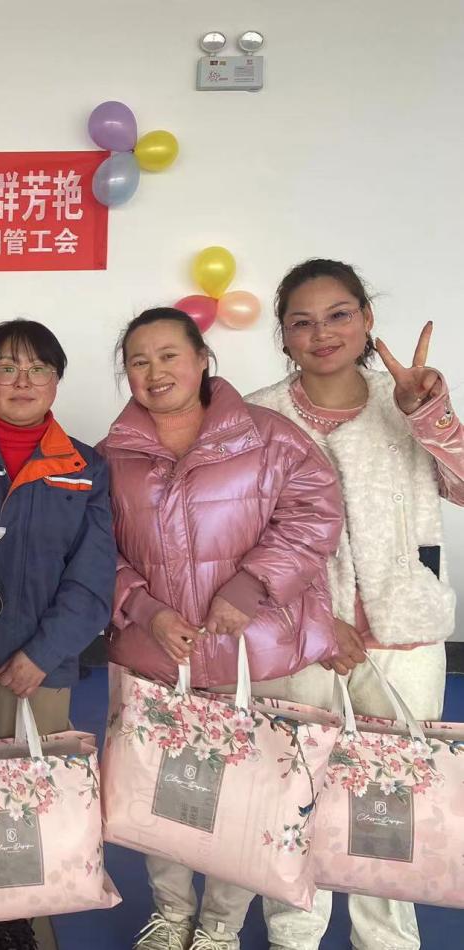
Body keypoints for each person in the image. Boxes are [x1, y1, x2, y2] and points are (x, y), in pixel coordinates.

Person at [99, 308, 343, 950]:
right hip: (156, 655)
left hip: (254, 653)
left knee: (247, 797)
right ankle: (172, 915)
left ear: (202, 358)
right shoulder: (111, 456)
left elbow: (314, 514)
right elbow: (95, 550)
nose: (155, 371)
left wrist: (250, 586)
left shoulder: (270, 437)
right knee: (161, 791)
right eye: (138, 361)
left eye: (169, 355)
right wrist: (144, 609)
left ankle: (219, 928)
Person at [245, 259, 463, 950]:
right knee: (294, 791)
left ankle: (387, 938)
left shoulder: (407, 401)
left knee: (390, 800)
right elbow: (245, 536)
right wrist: (315, 619)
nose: (322, 333)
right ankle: (294, 933)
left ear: (367, 319)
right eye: (302, 322)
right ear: (283, 336)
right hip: (300, 636)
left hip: (405, 634)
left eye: (339, 315)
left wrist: (430, 417)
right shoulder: (257, 415)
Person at [0, 319, 115, 950]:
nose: (22, 381)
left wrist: (43, 652)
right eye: (6, 367)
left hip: (44, 668)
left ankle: (16, 917)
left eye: (39, 369)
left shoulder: (86, 467)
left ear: (57, 382)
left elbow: (93, 576)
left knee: (30, 795)